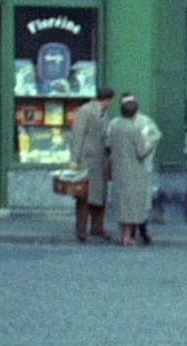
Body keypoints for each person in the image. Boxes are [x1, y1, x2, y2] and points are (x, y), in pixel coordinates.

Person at [105, 98, 160, 247]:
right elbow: (141, 152)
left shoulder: (115, 126)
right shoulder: (135, 129)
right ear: (135, 112)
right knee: (132, 205)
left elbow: (108, 144)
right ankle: (127, 236)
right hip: (134, 170)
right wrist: (151, 144)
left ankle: (124, 234)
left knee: (122, 202)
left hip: (119, 168)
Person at [69, 86, 116, 242]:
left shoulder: (105, 112)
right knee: (85, 196)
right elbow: (78, 135)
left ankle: (98, 227)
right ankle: (81, 230)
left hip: (101, 160)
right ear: (108, 99)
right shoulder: (86, 111)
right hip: (87, 159)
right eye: (111, 100)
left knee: (100, 196)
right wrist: (75, 159)